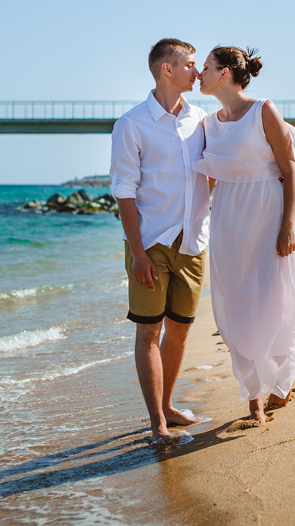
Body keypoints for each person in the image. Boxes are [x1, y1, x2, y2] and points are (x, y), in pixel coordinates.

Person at [193, 46, 295, 423]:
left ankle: (279, 385)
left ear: (225, 73)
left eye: (207, 67)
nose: (199, 73)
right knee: (237, 302)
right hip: (229, 219)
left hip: (269, 212)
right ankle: (252, 398)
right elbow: (205, 177)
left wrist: (287, 224)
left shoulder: (263, 109)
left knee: (277, 298)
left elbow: (290, 167)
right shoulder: (207, 123)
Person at [110, 38, 211, 447]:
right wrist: (137, 252)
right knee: (149, 332)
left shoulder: (201, 119)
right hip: (150, 243)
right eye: (189, 64)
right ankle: (158, 423)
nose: (196, 71)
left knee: (181, 331)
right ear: (165, 69)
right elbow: (124, 190)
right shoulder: (131, 124)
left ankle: (168, 405)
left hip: (193, 244)